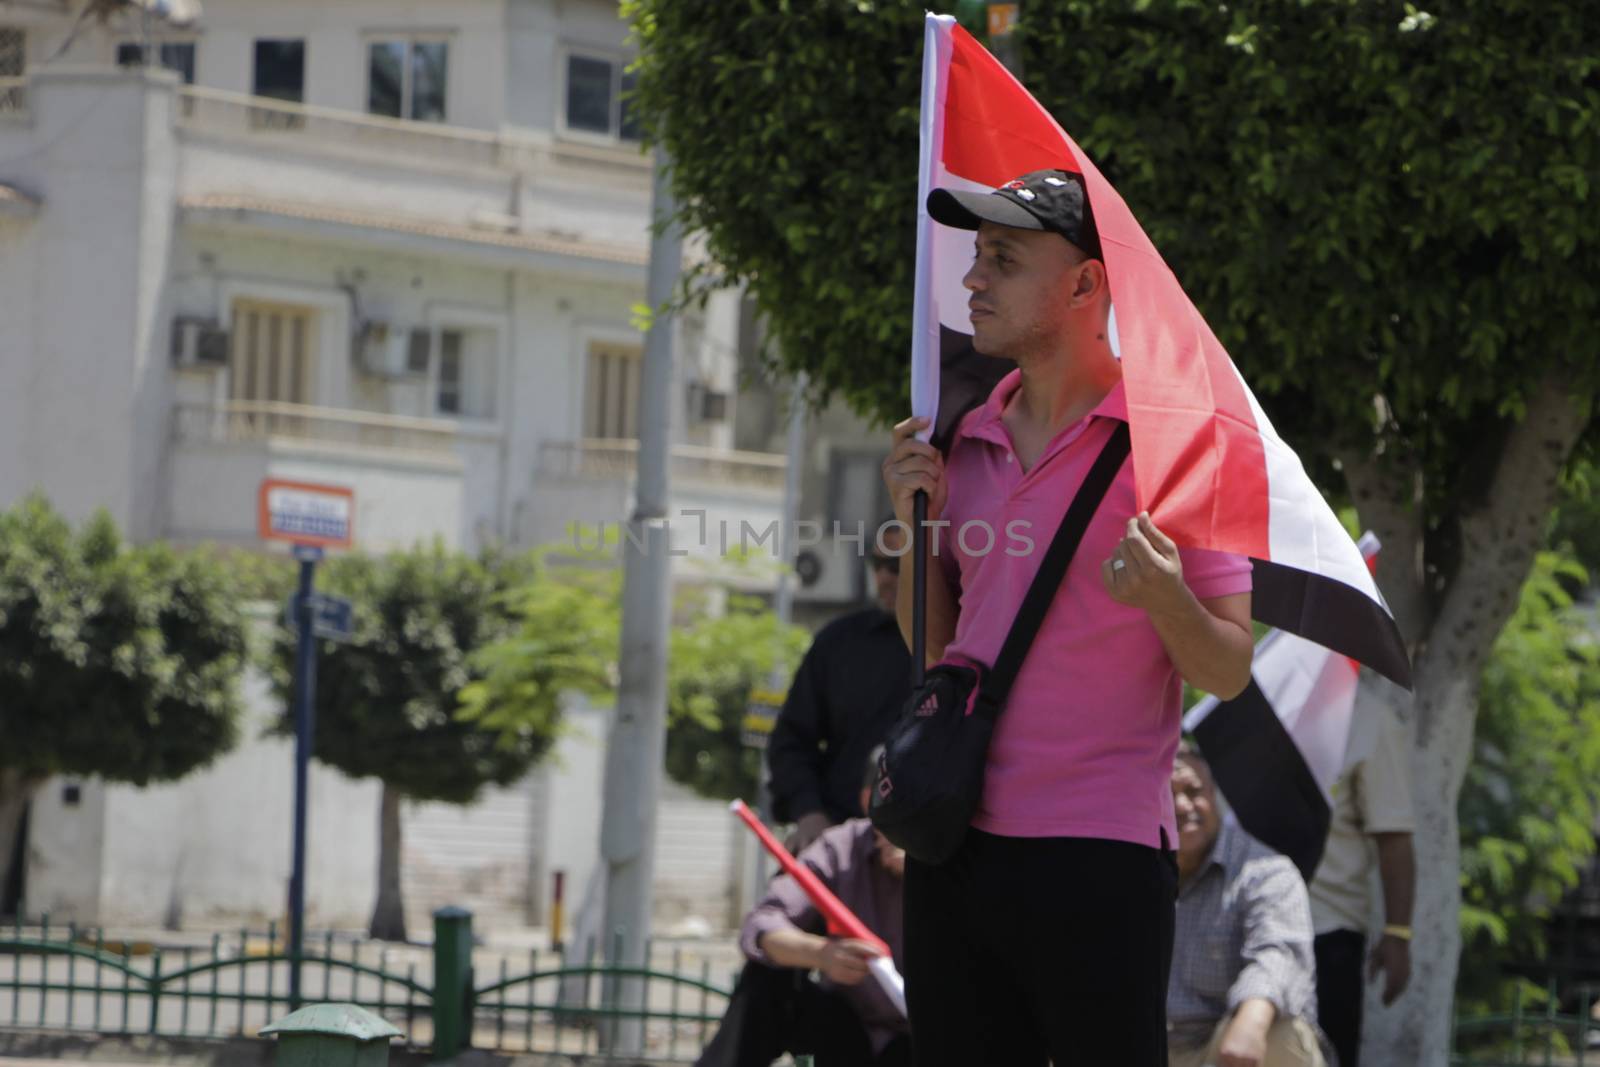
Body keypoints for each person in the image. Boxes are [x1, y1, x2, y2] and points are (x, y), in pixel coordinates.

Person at [880, 168, 1255, 1066]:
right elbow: (938, 648)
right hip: (954, 838)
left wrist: (1165, 597)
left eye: (1003, 259)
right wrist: (908, 523)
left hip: (1100, 851)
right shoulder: (957, 439)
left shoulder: (1179, 445)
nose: (974, 279)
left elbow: (1229, 669)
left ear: (1087, 283)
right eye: (975, 256)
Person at [696, 751, 909, 1067]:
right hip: (849, 1031)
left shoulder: (958, 856)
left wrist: (922, 872)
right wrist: (822, 953)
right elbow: (762, 924)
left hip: (930, 1034)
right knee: (767, 979)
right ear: (868, 800)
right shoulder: (841, 847)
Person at [1168, 745, 1329, 1067]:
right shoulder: (1135, 873)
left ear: (1214, 795)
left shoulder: (1266, 871)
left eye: (1193, 791)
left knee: (1279, 1035)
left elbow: (1279, 953)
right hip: (1153, 1046)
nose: (1182, 805)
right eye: (1167, 795)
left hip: (1232, 1044)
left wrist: (1251, 1022)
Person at [768, 520, 913, 853]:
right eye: (877, 565)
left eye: (896, 565)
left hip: (927, 852)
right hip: (839, 841)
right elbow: (791, 740)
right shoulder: (840, 641)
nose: (884, 578)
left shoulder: (962, 643)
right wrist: (809, 814)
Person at [1308, 702, 1416, 1067]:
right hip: (1239, 926)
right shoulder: (1250, 693)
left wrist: (1398, 933)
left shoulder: (1368, 718)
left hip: (1328, 930)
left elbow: (1394, 834)